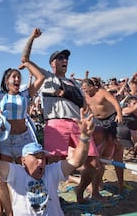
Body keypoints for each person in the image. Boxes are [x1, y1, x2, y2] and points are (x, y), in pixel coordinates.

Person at [0, 28, 45, 216]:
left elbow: (40, 77)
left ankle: (25, 206)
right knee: (4, 177)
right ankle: (6, 210)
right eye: (13, 77)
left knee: (27, 173)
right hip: (6, 140)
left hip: (24, 138)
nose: (17, 79)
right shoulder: (0, 96)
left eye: (18, 76)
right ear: (7, 81)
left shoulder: (26, 94)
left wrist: (26, 63)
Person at [0, 110, 95, 215]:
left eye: (43, 157)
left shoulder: (52, 171)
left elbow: (76, 161)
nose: (41, 161)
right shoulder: (16, 173)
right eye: (35, 157)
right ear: (23, 160)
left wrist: (85, 138)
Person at [38, 49, 99, 203]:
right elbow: (26, 60)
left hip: (77, 123)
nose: (64, 60)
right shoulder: (46, 77)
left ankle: (80, 191)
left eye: (66, 58)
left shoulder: (74, 83)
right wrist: (32, 38)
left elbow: (83, 104)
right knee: (53, 164)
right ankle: (52, 197)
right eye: (60, 58)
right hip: (56, 122)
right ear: (52, 63)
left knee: (93, 163)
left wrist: (87, 114)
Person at [80, 78, 125, 196]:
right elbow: (87, 108)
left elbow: (115, 103)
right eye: (83, 89)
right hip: (97, 122)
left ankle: (121, 184)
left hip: (110, 119)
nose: (84, 91)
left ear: (92, 86)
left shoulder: (102, 92)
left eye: (85, 89)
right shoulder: (86, 95)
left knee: (116, 148)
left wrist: (119, 114)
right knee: (98, 153)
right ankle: (97, 184)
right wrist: (84, 113)